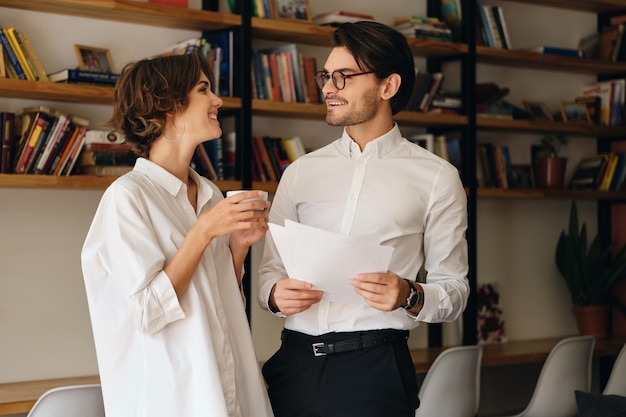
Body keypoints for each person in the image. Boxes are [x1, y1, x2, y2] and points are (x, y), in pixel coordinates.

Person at [258, 21, 469, 417]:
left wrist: (410, 294)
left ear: (388, 86)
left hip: (375, 368)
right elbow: (269, 273)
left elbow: (455, 289)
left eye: (343, 77)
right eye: (325, 76)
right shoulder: (299, 172)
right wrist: (274, 295)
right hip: (294, 367)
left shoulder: (438, 177)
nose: (327, 88)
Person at [81, 53, 274, 417]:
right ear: (165, 104)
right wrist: (202, 233)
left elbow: (220, 301)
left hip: (229, 384)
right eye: (204, 89)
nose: (217, 100)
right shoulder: (127, 198)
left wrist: (237, 249)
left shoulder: (209, 194)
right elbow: (148, 312)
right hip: (174, 397)